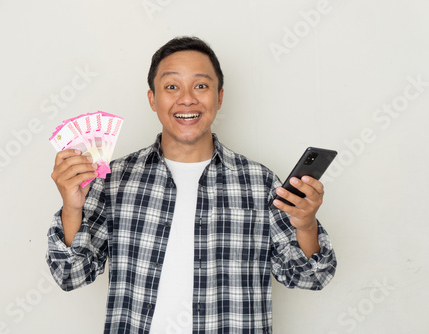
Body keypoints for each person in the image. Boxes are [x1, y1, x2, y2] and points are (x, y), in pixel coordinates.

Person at [46, 36, 337, 334]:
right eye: (172, 87)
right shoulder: (114, 180)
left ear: (219, 97)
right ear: (152, 99)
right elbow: (71, 274)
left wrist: (305, 225)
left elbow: (311, 277)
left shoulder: (259, 183)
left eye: (201, 86)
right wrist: (72, 207)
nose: (187, 99)